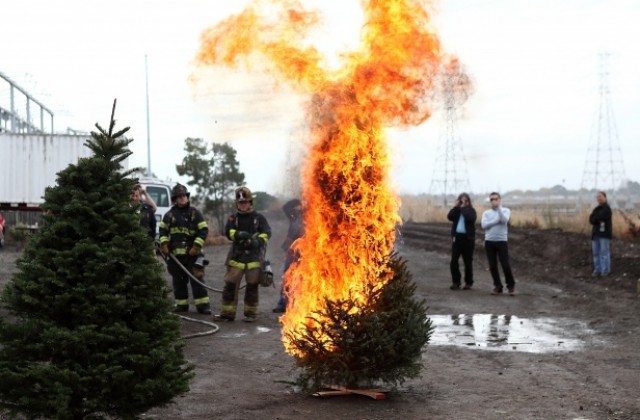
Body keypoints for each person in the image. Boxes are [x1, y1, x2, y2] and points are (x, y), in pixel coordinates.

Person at [215, 186, 271, 322]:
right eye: (240, 203)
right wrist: (238, 234)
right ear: (237, 204)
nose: (243, 205)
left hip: (254, 258)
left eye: (245, 202)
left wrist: (257, 241)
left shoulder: (259, 217)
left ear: (250, 202)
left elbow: (267, 232)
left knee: (252, 286)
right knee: (230, 285)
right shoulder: (233, 218)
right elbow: (228, 232)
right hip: (236, 257)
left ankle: (250, 315)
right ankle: (227, 314)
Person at [158, 183, 211, 314]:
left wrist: (196, 247)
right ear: (175, 199)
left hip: (193, 255)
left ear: (187, 197)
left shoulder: (195, 213)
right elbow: (162, 231)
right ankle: (182, 306)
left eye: (184, 196)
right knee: (178, 282)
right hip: (175, 257)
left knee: (197, 280)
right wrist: (164, 244)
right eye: (179, 196)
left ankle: (203, 306)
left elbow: (203, 230)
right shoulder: (169, 215)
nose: (182, 198)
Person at [272, 199, 304, 313]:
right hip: (292, 251)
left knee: (304, 278)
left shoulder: (316, 215)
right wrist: (297, 201)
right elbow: (286, 207)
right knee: (287, 276)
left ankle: (299, 304)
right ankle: (283, 303)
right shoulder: (295, 215)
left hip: (308, 252)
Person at [481, 192, 516, 296]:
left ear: (499, 200)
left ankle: (510, 285)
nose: (493, 201)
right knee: (492, 265)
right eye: (491, 199)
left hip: (501, 241)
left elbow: (505, 220)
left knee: (505, 264)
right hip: (489, 241)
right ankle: (498, 286)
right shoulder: (486, 213)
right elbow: (484, 225)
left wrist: (499, 209)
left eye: (495, 199)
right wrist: (496, 220)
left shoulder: (506, 210)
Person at [447, 192, 477, 290]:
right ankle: (456, 282)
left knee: (468, 262)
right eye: (461, 200)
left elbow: (470, 219)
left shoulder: (471, 211)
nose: (463, 202)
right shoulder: (457, 210)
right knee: (454, 261)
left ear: (468, 201)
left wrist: (464, 208)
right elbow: (450, 217)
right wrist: (456, 207)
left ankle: (468, 282)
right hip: (457, 239)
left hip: (468, 239)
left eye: (465, 200)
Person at [589, 191, 612, 277]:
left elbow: (601, 217)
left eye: (600, 196)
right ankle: (597, 270)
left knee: (604, 252)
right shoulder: (596, 209)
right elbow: (591, 220)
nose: (599, 198)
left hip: (604, 235)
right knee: (596, 253)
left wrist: (596, 219)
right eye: (597, 197)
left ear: (605, 197)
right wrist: (596, 219)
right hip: (595, 234)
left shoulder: (607, 209)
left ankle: (605, 270)